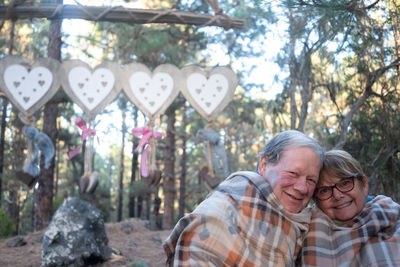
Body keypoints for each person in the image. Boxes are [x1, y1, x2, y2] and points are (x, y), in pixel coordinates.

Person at [163, 130, 325, 266]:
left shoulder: (305, 226)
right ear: (263, 164)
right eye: (293, 174)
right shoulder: (218, 214)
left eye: (311, 180)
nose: (302, 188)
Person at [298, 149, 400, 266]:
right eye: (324, 190)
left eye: (345, 183)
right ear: (316, 200)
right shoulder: (304, 228)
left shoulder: (391, 214)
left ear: (364, 184)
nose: (337, 196)